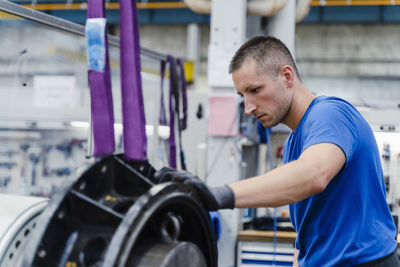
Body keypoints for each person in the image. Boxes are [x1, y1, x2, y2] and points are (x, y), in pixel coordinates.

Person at [155, 36, 399, 266]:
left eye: (255, 90)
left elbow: (314, 174)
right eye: (242, 95)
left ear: (287, 76)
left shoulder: (330, 114)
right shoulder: (295, 143)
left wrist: (221, 195)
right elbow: (307, 234)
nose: (248, 108)